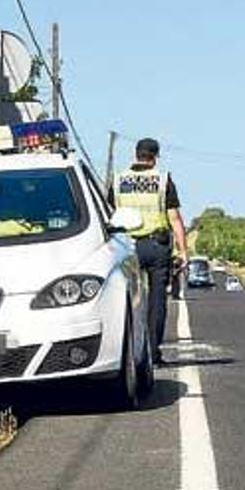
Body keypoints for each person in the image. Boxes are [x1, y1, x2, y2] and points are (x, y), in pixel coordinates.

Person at [110, 138, 188, 364]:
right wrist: (183, 251)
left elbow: (110, 212)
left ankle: (127, 353)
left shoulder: (118, 180)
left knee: (126, 298)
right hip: (156, 246)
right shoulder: (162, 180)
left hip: (126, 246)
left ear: (135, 154)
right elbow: (174, 217)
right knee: (156, 300)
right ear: (155, 157)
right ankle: (153, 351)